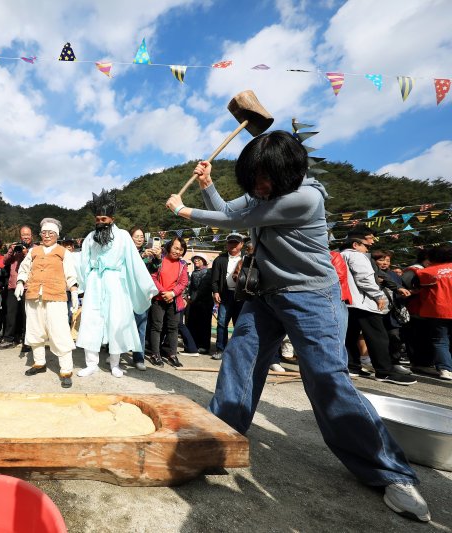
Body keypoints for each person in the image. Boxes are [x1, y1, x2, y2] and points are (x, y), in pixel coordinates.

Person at [165, 130, 429, 522]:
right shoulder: (262, 192)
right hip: (265, 295)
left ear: (289, 172)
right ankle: (220, 438)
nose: (258, 186)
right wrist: (206, 185)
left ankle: (390, 472)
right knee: (240, 362)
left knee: (326, 377)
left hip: (311, 297)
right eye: (253, 178)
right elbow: (229, 207)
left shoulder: (306, 196)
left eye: (264, 178)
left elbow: (235, 218)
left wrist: (183, 211)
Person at [76, 190, 157, 378]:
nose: (100, 223)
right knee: (91, 320)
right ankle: (91, 363)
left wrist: (146, 286)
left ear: (111, 218)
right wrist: (81, 285)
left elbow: (134, 262)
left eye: (104, 219)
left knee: (117, 321)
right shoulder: (90, 237)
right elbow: (83, 263)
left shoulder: (122, 236)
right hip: (96, 281)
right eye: (98, 219)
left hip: (115, 282)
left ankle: (115, 363)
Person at [15, 218, 79, 388]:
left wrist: (73, 291)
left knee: (59, 332)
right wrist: (20, 282)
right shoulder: (34, 251)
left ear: (56, 235)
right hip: (34, 295)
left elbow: (70, 272)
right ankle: (39, 363)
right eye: (44, 233)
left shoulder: (63, 252)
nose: (47, 236)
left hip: (55, 296)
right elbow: (24, 267)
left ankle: (66, 370)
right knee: (35, 330)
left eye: (51, 233)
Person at [341, 238, 414, 384]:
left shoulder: (340, 255)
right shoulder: (356, 255)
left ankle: (352, 366)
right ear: (355, 244)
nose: (369, 248)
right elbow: (364, 278)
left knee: (350, 336)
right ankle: (384, 371)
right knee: (378, 336)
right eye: (367, 245)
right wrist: (378, 295)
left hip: (347, 302)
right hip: (363, 302)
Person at [148, 236, 189, 368]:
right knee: (157, 327)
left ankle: (172, 355)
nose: (178, 251)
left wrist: (172, 293)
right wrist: (163, 292)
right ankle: (155, 354)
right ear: (169, 246)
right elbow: (153, 277)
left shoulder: (183, 265)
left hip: (174, 299)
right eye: (175, 248)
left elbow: (183, 283)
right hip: (159, 299)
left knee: (173, 328)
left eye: (181, 250)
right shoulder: (159, 260)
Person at [414, 245, 452, 380]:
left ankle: (445, 369)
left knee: (440, 340)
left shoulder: (426, 272)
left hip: (438, 310)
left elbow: (416, 288)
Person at [0, 225, 34, 351]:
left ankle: (26, 341)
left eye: (28, 235)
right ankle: (9, 339)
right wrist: (11, 250)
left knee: (26, 314)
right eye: (23, 235)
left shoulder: (36, 248)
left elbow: (37, 262)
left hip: (28, 286)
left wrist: (26, 253)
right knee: (11, 314)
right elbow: (4, 261)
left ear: (32, 236)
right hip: (13, 285)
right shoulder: (14, 248)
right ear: (20, 236)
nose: (26, 237)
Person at [129, 226, 161, 370]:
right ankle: (114, 354)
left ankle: (139, 358)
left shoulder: (148, 253)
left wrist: (158, 258)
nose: (140, 239)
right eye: (136, 236)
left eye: (142, 236)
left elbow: (155, 269)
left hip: (142, 295)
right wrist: (140, 257)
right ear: (130, 238)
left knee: (141, 326)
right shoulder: (126, 252)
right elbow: (126, 268)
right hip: (126, 293)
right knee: (120, 325)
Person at [210, 232, 245, 360]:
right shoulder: (220, 259)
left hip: (242, 296)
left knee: (240, 324)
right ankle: (220, 349)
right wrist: (216, 292)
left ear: (241, 244)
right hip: (225, 294)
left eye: (236, 243)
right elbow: (214, 279)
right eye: (230, 243)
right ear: (226, 244)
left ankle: (238, 350)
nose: (233, 246)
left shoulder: (247, 259)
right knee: (222, 323)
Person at [186, 255, 213, 354]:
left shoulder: (208, 272)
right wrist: (189, 296)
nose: (196, 261)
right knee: (192, 323)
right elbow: (192, 287)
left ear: (204, 261)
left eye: (199, 259)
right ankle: (194, 344)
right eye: (195, 259)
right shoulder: (194, 273)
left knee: (204, 325)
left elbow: (204, 289)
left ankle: (204, 346)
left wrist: (194, 298)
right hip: (194, 302)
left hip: (205, 302)